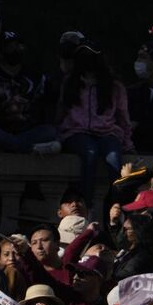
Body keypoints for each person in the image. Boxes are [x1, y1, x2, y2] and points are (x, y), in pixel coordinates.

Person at [55, 46, 131, 210]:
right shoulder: (71, 82)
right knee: (90, 153)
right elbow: (62, 109)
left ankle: (118, 205)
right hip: (76, 131)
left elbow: (122, 116)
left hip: (107, 131)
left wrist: (127, 144)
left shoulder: (114, 86)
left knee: (114, 159)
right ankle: (86, 206)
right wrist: (57, 134)